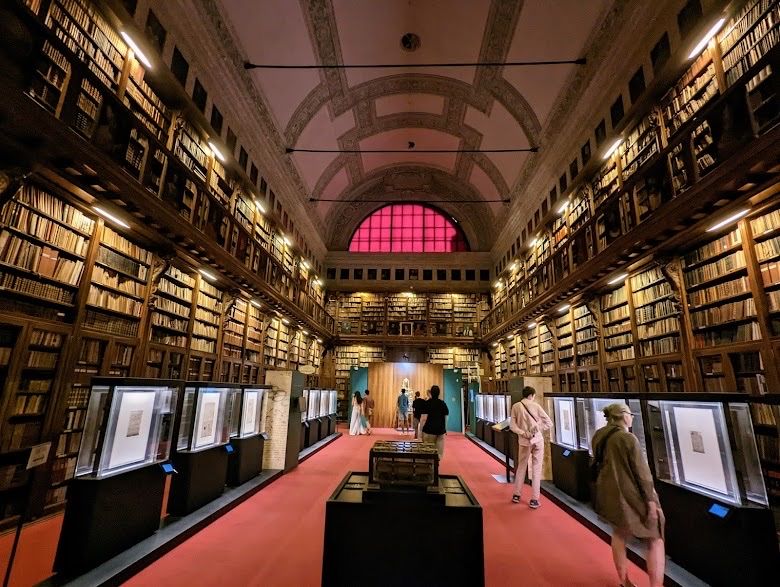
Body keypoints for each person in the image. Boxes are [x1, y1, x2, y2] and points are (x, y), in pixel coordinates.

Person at [592, 403, 665, 587]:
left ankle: (624, 580)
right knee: (655, 537)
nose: (632, 417)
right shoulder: (628, 438)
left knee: (619, 533)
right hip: (631, 493)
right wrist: (650, 501)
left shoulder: (599, 435)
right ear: (623, 415)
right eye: (630, 414)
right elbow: (642, 473)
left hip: (609, 491)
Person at [509, 386, 552, 509]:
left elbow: (512, 426)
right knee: (536, 469)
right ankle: (534, 499)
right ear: (531, 395)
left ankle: (516, 495)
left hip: (524, 441)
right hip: (537, 440)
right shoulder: (536, 406)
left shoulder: (516, 406)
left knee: (521, 467)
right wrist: (537, 429)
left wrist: (523, 433)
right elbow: (549, 423)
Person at [420, 385, 448, 459]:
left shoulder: (427, 403)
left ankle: (431, 469)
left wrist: (420, 432)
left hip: (429, 431)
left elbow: (423, 419)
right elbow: (446, 417)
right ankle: (436, 469)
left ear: (431, 393)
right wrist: (445, 429)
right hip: (440, 431)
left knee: (429, 453)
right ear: (439, 393)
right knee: (439, 455)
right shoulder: (442, 403)